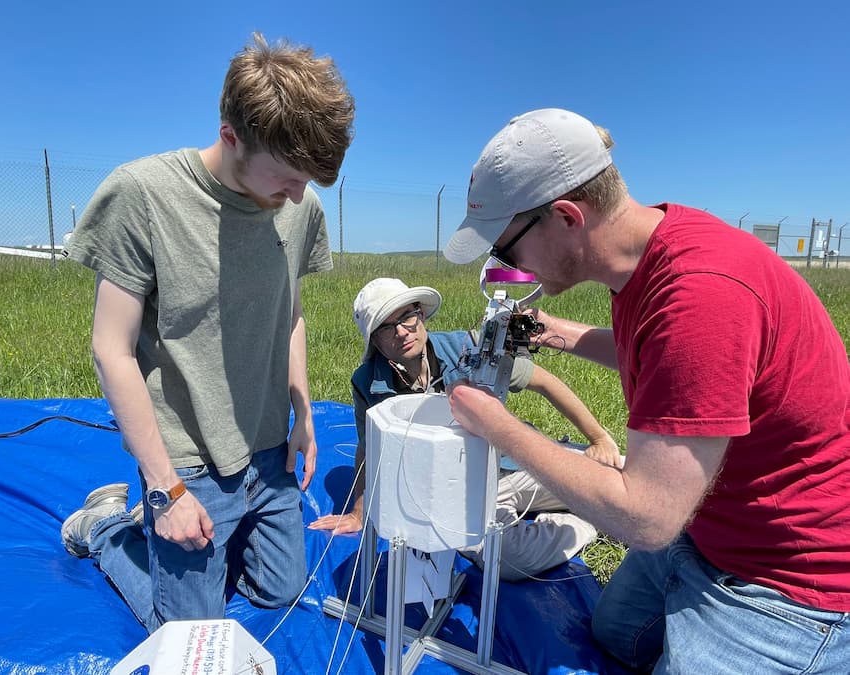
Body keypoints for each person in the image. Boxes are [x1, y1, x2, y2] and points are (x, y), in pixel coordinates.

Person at [442, 108, 850, 673]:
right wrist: (549, 332)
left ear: (566, 217)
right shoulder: (649, 255)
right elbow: (655, 351)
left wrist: (497, 423)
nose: (505, 265)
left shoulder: (701, 296)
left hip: (786, 577)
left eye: (506, 251)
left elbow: (648, 518)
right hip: (708, 528)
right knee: (615, 635)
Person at [59, 33, 355, 633]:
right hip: (187, 457)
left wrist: (302, 413)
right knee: (194, 635)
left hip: (268, 445)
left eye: (310, 183)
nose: (299, 197)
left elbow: (290, 311)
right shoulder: (144, 196)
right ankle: (110, 527)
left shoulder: (300, 207)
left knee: (280, 591)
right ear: (231, 137)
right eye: (288, 178)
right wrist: (165, 490)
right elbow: (110, 349)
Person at [309, 277, 620, 581]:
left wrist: (599, 438)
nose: (402, 332)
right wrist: (359, 511)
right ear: (374, 340)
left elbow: (545, 383)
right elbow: (368, 448)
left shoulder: (467, 347)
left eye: (407, 316)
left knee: (615, 477)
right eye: (387, 327)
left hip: (514, 462)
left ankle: (588, 500)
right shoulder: (368, 383)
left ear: (421, 314)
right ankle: (584, 520)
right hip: (458, 493)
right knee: (507, 559)